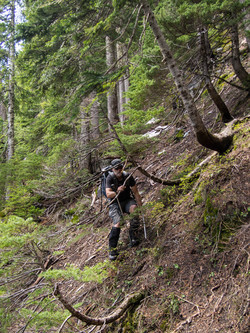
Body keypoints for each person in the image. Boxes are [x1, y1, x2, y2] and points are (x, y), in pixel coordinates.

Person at [106, 158, 142, 260]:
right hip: (114, 203)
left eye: (120, 167)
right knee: (117, 222)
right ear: (113, 169)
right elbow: (108, 194)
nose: (119, 170)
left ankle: (133, 236)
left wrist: (140, 204)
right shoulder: (110, 178)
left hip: (127, 200)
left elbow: (135, 192)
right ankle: (112, 249)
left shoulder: (128, 176)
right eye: (116, 168)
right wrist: (117, 191)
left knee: (134, 209)